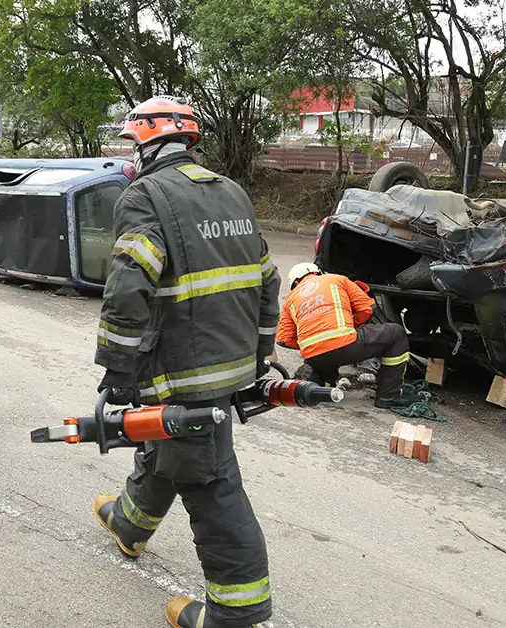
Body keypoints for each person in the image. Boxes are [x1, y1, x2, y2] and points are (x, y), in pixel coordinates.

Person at [91, 96, 280, 628]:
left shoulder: (144, 195)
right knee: (171, 442)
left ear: (148, 142)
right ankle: (130, 523)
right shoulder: (231, 192)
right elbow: (267, 279)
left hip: (180, 368)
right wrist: (259, 356)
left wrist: (118, 369)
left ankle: (235, 613)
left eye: (132, 143)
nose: (131, 156)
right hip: (232, 363)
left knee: (209, 480)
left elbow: (129, 287)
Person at [276, 263, 413, 408]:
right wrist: (351, 326)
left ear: (296, 283)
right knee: (396, 333)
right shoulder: (336, 280)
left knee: (325, 360)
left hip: (314, 356)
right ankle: (388, 397)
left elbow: (283, 339)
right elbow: (367, 308)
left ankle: (317, 385)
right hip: (346, 345)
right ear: (317, 273)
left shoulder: (290, 299)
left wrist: (313, 342)